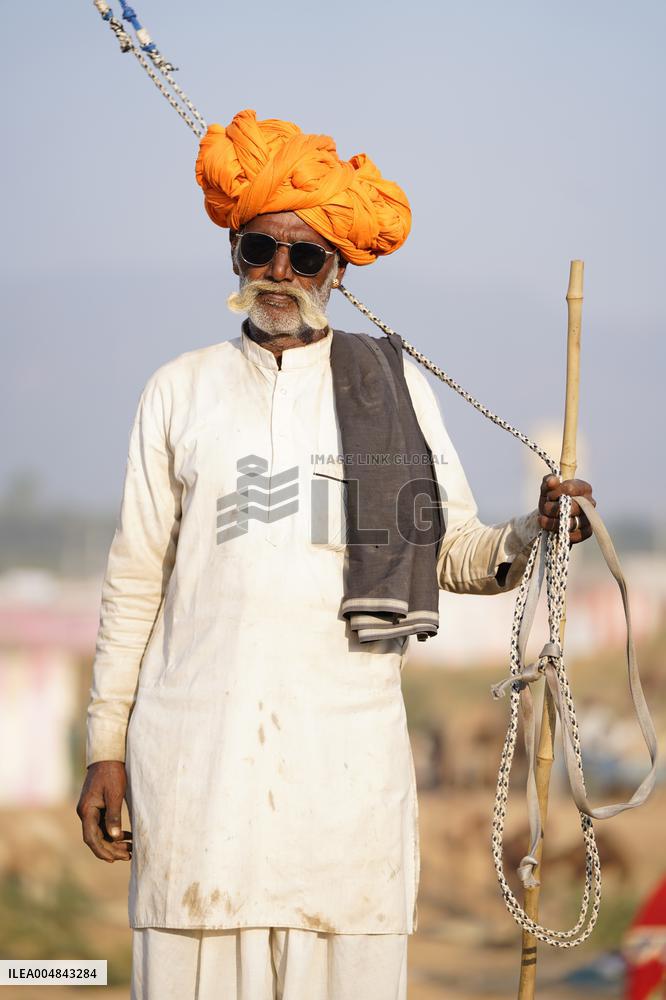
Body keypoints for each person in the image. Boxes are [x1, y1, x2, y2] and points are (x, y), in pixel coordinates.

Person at [76, 109, 596, 1000]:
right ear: (235, 256)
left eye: (304, 255)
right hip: (196, 760)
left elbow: (456, 551)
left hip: (343, 772)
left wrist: (534, 528)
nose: (280, 273)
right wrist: (105, 745)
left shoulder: (392, 391)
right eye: (259, 250)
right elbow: (134, 582)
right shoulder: (180, 390)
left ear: (339, 268)